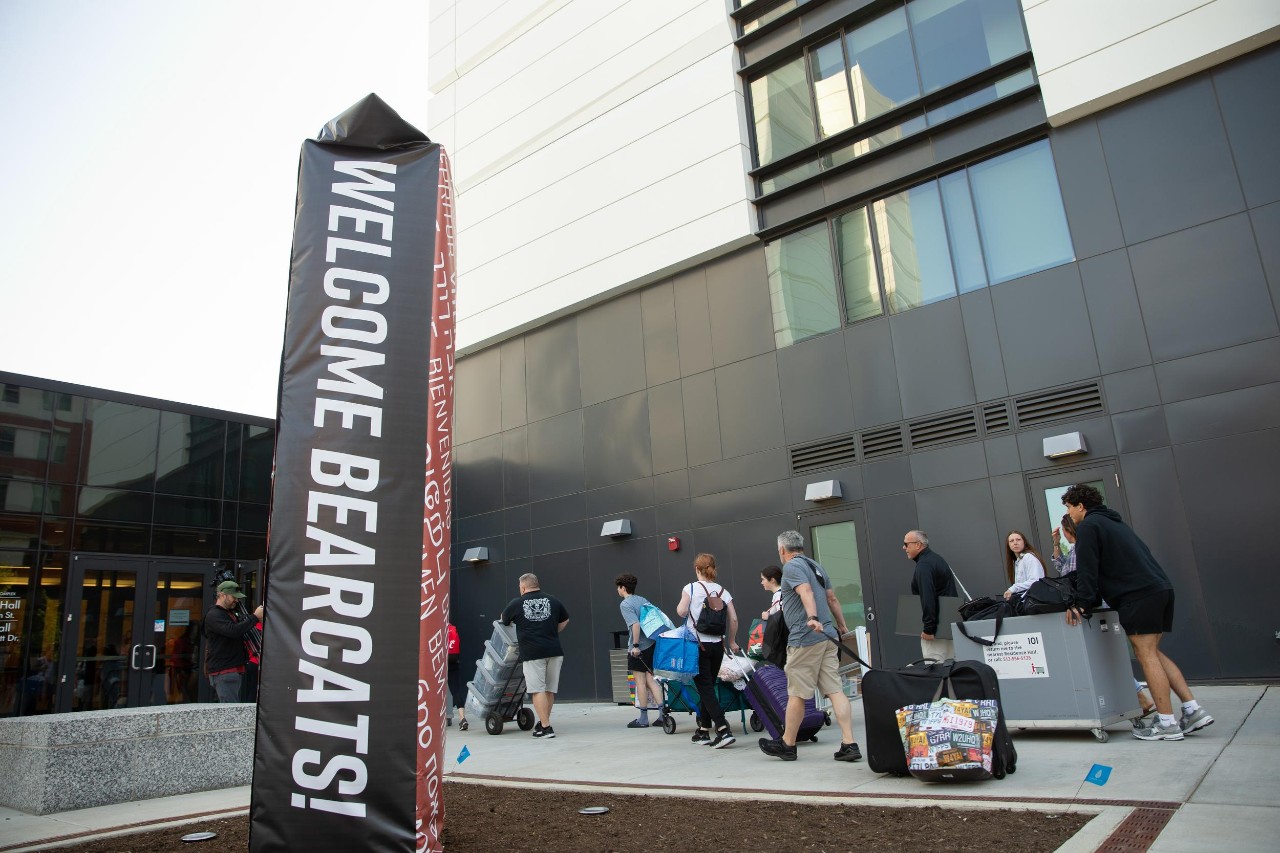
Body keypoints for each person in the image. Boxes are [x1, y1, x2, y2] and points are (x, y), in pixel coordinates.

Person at [1061, 484, 1213, 741]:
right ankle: (1192, 709)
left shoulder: (1088, 526)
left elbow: (1088, 569)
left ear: (1080, 506)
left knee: (1145, 654)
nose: (1068, 513)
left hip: (1137, 595)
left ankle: (1166, 723)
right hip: (1159, 589)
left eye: (1068, 507)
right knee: (1153, 651)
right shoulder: (1115, 523)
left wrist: (1083, 603)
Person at [759, 530, 862, 763]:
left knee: (796, 692)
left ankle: (787, 744)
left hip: (805, 638)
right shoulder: (816, 565)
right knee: (835, 690)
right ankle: (849, 743)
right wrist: (842, 625)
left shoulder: (793, 567)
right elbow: (832, 598)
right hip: (826, 636)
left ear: (782, 550)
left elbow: (805, 591)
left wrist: (812, 617)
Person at [675, 553, 739, 749]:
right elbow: (734, 619)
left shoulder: (691, 588)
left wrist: (687, 610)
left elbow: (681, 611)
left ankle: (722, 729)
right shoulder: (723, 591)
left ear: (697, 569)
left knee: (705, 688)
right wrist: (732, 641)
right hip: (717, 646)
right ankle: (703, 730)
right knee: (709, 686)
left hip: (697, 645)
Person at [500, 573, 569, 739]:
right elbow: (565, 620)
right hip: (554, 650)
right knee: (549, 690)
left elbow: (504, 620)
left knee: (537, 690)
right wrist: (551, 632)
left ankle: (546, 727)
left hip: (533, 653)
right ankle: (543, 723)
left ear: (523, 587)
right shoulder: (553, 600)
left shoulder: (517, 603)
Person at [615, 573, 665, 729]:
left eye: (618, 587)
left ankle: (643, 719)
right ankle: (663, 715)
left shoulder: (626, 604)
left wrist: (635, 646)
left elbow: (635, 625)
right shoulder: (643, 600)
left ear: (623, 588)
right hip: (651, 644)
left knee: (640, 682)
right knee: (651, 680)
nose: (618, 590)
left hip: (639, 647)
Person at [203, 580, 264, 703]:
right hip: (224, 671)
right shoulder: (214, 615)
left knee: (231, 708)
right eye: (233, 597)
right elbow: (233, 631)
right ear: (222, 595)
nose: (236, 600)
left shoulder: (227, 613)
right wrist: (254, 617)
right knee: (230, 711)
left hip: (231, 669)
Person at [903, 530, 957, 660]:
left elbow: (927, 597)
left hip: (935, 631)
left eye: (906, 544)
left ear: (918, 545)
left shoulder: (924, 565)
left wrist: (928, 629)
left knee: (935, 669)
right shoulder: (937, 559)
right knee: (953, 667)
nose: (904, 547)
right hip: (949, 625)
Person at [1002, 530, 1046, 601]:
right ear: (1008, 545)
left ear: (1024, 542)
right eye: (1011, 541)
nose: (1015, 543)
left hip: (1034, 602)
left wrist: (1013, 588)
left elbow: (1036, 581)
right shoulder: (1017, 561)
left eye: (1018, 540)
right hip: (1025, 602)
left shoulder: (1028, 557)